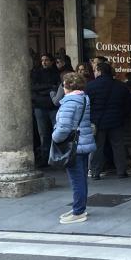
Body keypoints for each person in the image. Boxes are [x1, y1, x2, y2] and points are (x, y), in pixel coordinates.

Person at [52, 73, 96, 224]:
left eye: (64, 84)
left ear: (68, 86)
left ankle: (79, 212)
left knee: (77, 180)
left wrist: (54, 137)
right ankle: (80, 207)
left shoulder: (70, 102)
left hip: (74, 146)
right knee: (81, 179)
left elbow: (64, 127)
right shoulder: (83, 98)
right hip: (83, 143)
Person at [85, 61, 131, 179]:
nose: (94, 72)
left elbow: (87, 104)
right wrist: (122, 116)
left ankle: (95, 172)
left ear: (99, 71)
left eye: (95, 70)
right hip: (116, 121)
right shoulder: (121, 86)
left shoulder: (91, 86)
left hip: (98, 122)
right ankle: (121, 171)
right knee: (118, 146)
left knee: (97, 147)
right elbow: (128, 104)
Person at [31, 53, 62, 167]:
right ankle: (45, 158)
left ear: (51, 61)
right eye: (42, 60)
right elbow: (34, 88)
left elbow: (57, 87)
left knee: (56, 132)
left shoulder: (56, 73)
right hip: (40, 106)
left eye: (47, 60)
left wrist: (43, 89)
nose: (44, 62)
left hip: (53, 107)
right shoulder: (36, 73)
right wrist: (48, 88)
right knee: (43, 134)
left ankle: (56, 157)